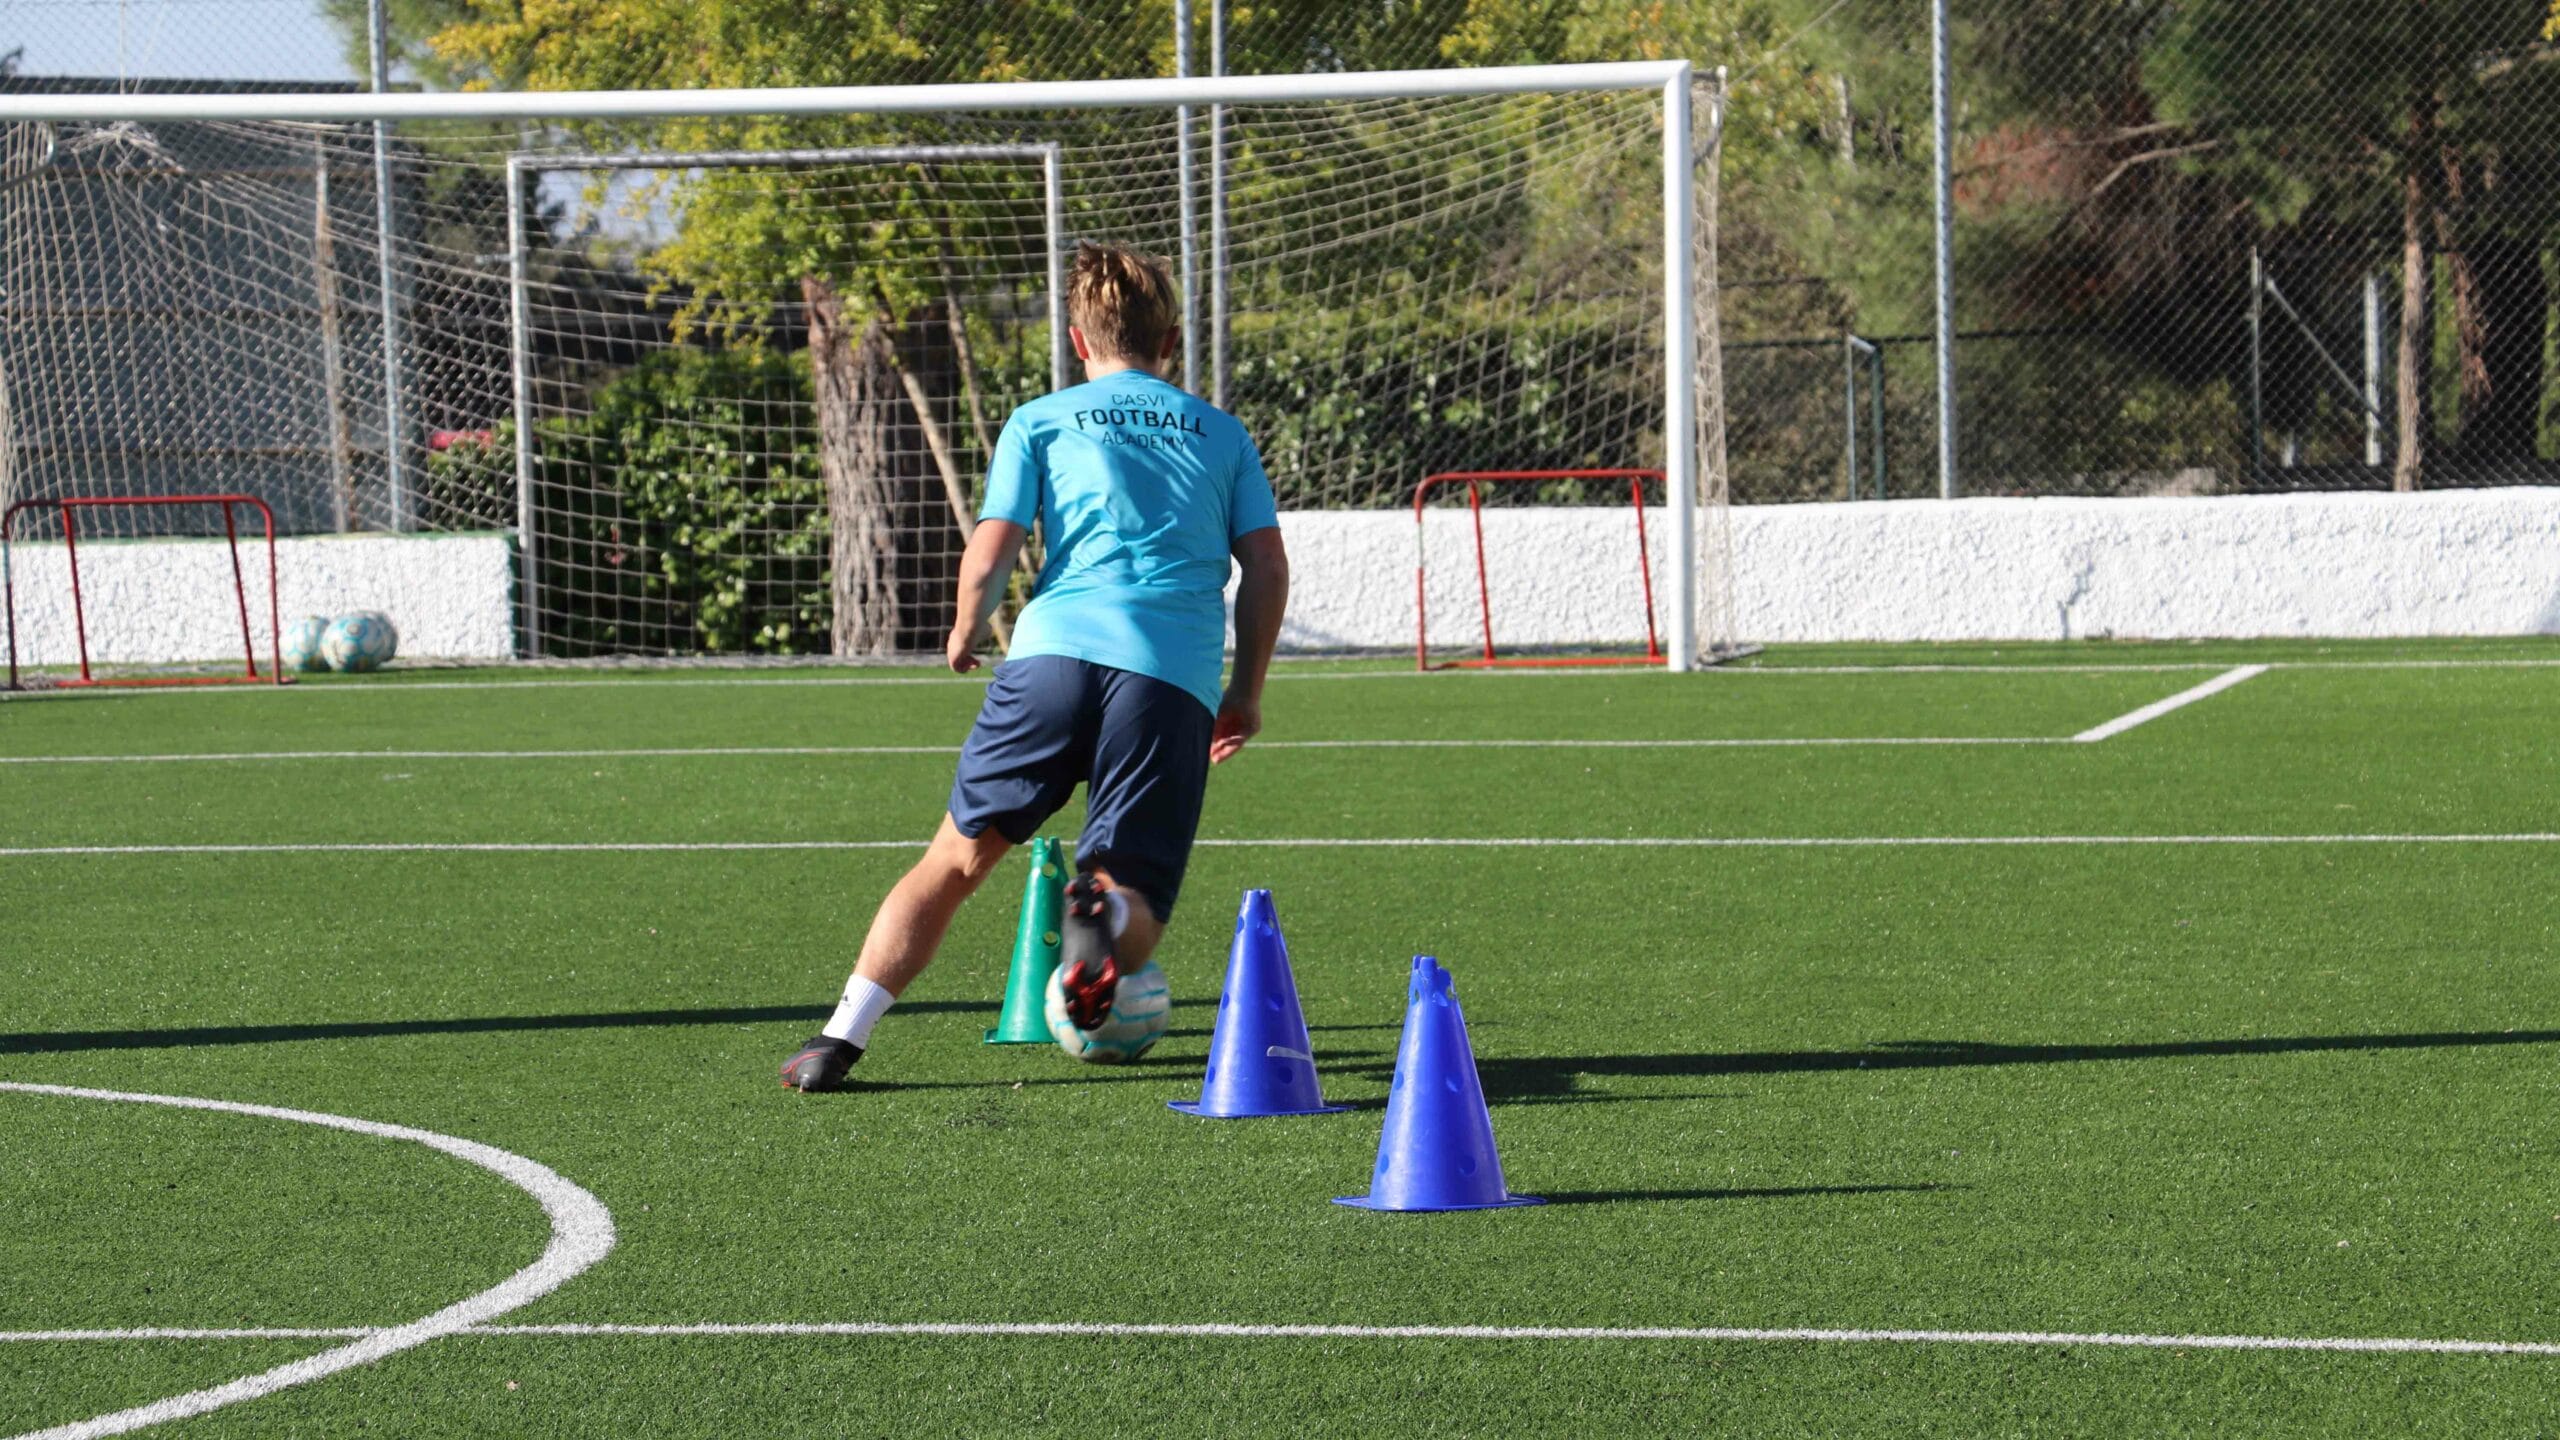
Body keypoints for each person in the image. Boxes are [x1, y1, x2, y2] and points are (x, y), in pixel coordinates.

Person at [781, 241, 1288, 1092]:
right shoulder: (1222, 434)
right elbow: (1266, 568)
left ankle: (839, 1037)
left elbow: (993, 548)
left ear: (1078, 341)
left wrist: (963, 626)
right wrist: (1246, 692)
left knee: (951, 862)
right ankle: (1103, 913)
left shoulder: (1042, 419)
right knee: (1135, 896)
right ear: (1170, 345)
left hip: (1048, 658)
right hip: (1167, 675)